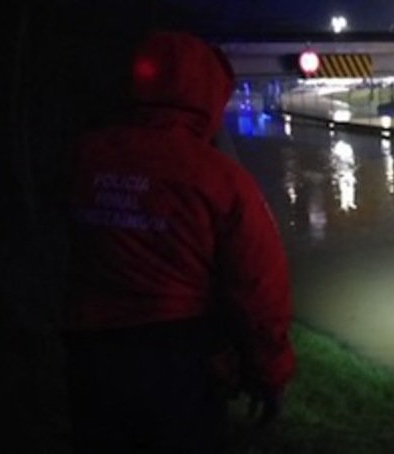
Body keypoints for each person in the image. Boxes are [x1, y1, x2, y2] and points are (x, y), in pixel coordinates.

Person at [63, 30, 294, 452]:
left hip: (86, 352)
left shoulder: (82, 156)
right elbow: (259, 287)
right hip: (178, 361)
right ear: (207, 92)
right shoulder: (219, 178)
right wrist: (269, 374)